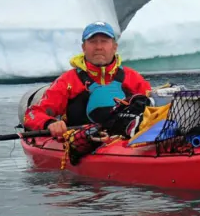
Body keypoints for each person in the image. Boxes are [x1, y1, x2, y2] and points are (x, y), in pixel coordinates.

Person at [23, 21, 152, 140]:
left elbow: (156, 109)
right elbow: (32, 114)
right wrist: (49, 123)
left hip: (125, 142)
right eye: (93, 41)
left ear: (114, 47)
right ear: (84, 47)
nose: (99, 47)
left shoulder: (133, 78)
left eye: (104, 41)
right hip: (82, 144)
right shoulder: (67, 81)